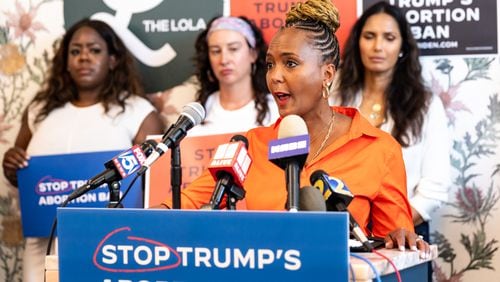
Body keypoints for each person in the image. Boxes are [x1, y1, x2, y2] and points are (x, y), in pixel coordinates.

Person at [158, 0, 430, 255]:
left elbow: (393, 244)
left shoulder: (379, 148)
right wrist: (131, 222)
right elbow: (182, 205)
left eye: (290, 63)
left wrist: (400, 238)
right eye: (270, 64)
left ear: (327, 74)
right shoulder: (249, 145)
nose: (275, 76)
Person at [2, 19, 164, 281]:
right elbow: (19, 175)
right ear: (65, 62)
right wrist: (10, 164)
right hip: (44, 246)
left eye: (94, 50)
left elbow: (155, 184)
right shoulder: (39, 112)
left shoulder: (139, 113)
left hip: (109, 245)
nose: (84, 57)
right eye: (75, 51)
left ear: (113, 60)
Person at [332, 1, 450, 241]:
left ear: (403, 47)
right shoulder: (334, 97)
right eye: (369, 36)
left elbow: (435, 186)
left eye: (389, 38)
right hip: (343, 233)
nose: (378, 47)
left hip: (405, 233)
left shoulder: (425, 105)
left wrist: (396, 226)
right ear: (358, 43)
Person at [187, 15, 279, 136]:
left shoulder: (277, 109)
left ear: (253, 54)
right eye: (216, 51)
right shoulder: (197, 114)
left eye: (233, 49)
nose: (224, 60)